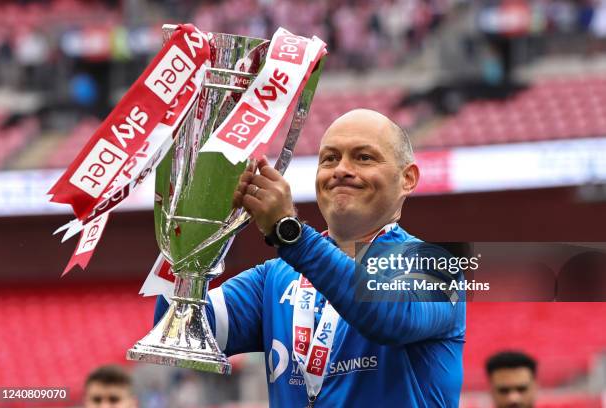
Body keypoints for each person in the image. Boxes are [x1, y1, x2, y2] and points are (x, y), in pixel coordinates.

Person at [155, 109, 466, 407]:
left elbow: (388, 318)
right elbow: (175, 326)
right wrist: (192, 226)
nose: (341, 169)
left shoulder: (437, 267)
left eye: (364, 157)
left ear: (407, 178)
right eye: (330, 158)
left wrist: (288, 233)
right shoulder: (274, 277)